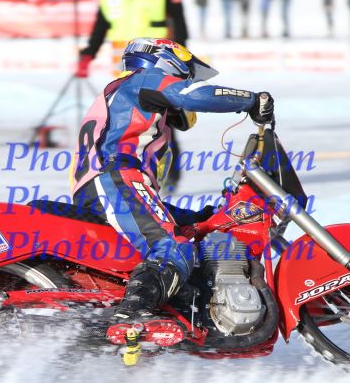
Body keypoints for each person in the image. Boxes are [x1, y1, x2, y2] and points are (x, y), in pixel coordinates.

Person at [70, 38, 274, 321]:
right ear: (168, 63)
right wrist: (251, 99)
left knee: (190, 232)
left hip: (108, 185)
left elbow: (149, 203)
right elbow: (192, 96)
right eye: (185, 76)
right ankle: (132, 318)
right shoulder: (143, 79)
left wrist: (205, 218)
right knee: (174, 248)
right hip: (114, 180)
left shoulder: (126, 96)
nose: (185, 82)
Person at [75, 0, 189, 189]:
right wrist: (89, 53)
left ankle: (170, 175)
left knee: (163, 122)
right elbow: (102, 24)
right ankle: (126, 173)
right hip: (125, 69)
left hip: (157, 64)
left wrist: (181, 59)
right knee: (127, 123)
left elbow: (179, 22)